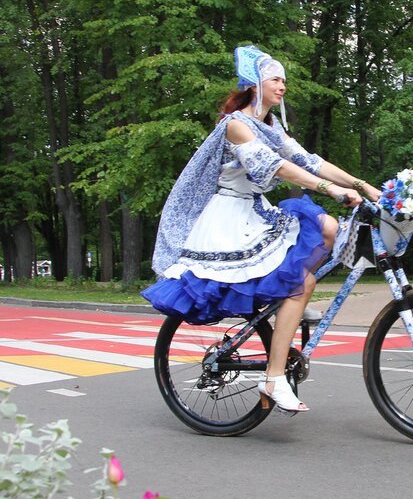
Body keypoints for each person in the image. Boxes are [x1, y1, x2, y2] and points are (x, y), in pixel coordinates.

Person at [142, 46, 381, 414]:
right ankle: (272, 377)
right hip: (228, 219)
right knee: (302, 283)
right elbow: (277, 168)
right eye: (275, 78)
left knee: (330, 229)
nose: (282, 85)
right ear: (255, 85)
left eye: (284, 79)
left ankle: (289, 307)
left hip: (255, 212)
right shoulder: (236, 125)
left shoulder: (272, 127)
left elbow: (310, 161)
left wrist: (363, 185)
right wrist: (332, 190)